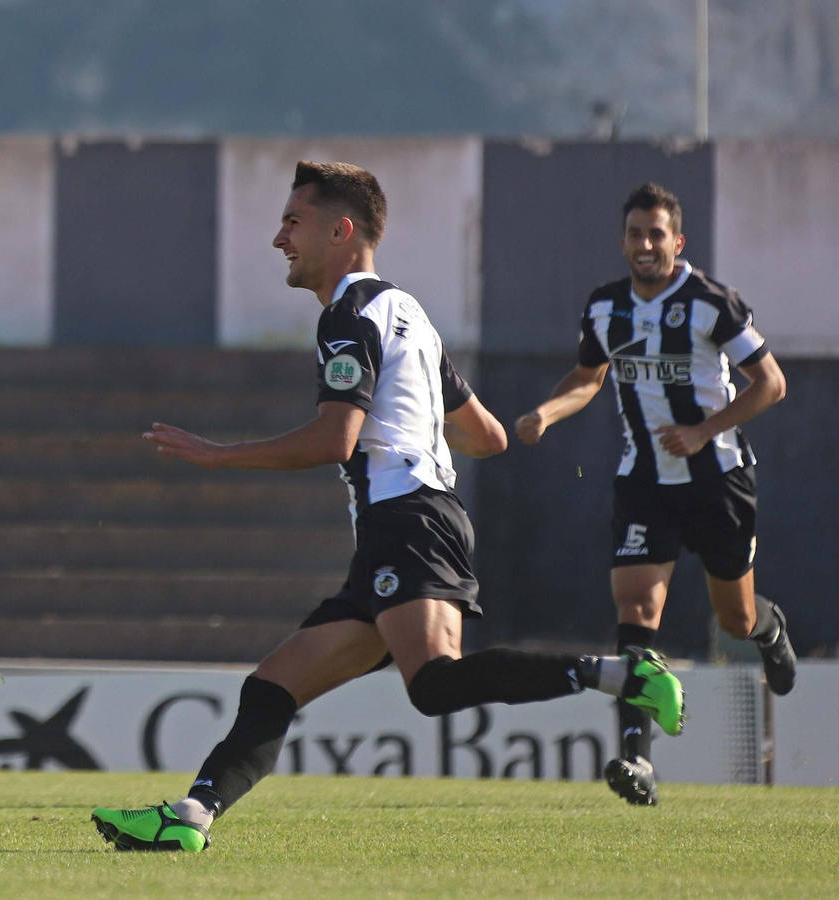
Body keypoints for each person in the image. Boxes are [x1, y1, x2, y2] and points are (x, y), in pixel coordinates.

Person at [89, 162, 685, 853]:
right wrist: (417, 429)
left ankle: (621, 673)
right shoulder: (409, 315)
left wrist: (220, 454)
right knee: (273, 685)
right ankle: (191, 817)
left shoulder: (348, 315)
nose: (279, 238)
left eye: (293, 221)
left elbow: (336, 437)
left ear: (341, 231)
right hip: (399, 527)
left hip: (409, 522)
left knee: (434, 684)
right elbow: (487, 437)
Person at [514, 182, 793, 806]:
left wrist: (702, 431)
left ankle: (770, 629)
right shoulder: (605, 308)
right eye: (636, 234)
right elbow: (588, 378)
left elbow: (770, 384)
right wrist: (546, 414)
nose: (645, 245)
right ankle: (637, 759)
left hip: (719, 478)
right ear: (622, 242)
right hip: (644, 482)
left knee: (734, 618)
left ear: (678, 241)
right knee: (637, 613)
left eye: (656, 234)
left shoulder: (712, 303)